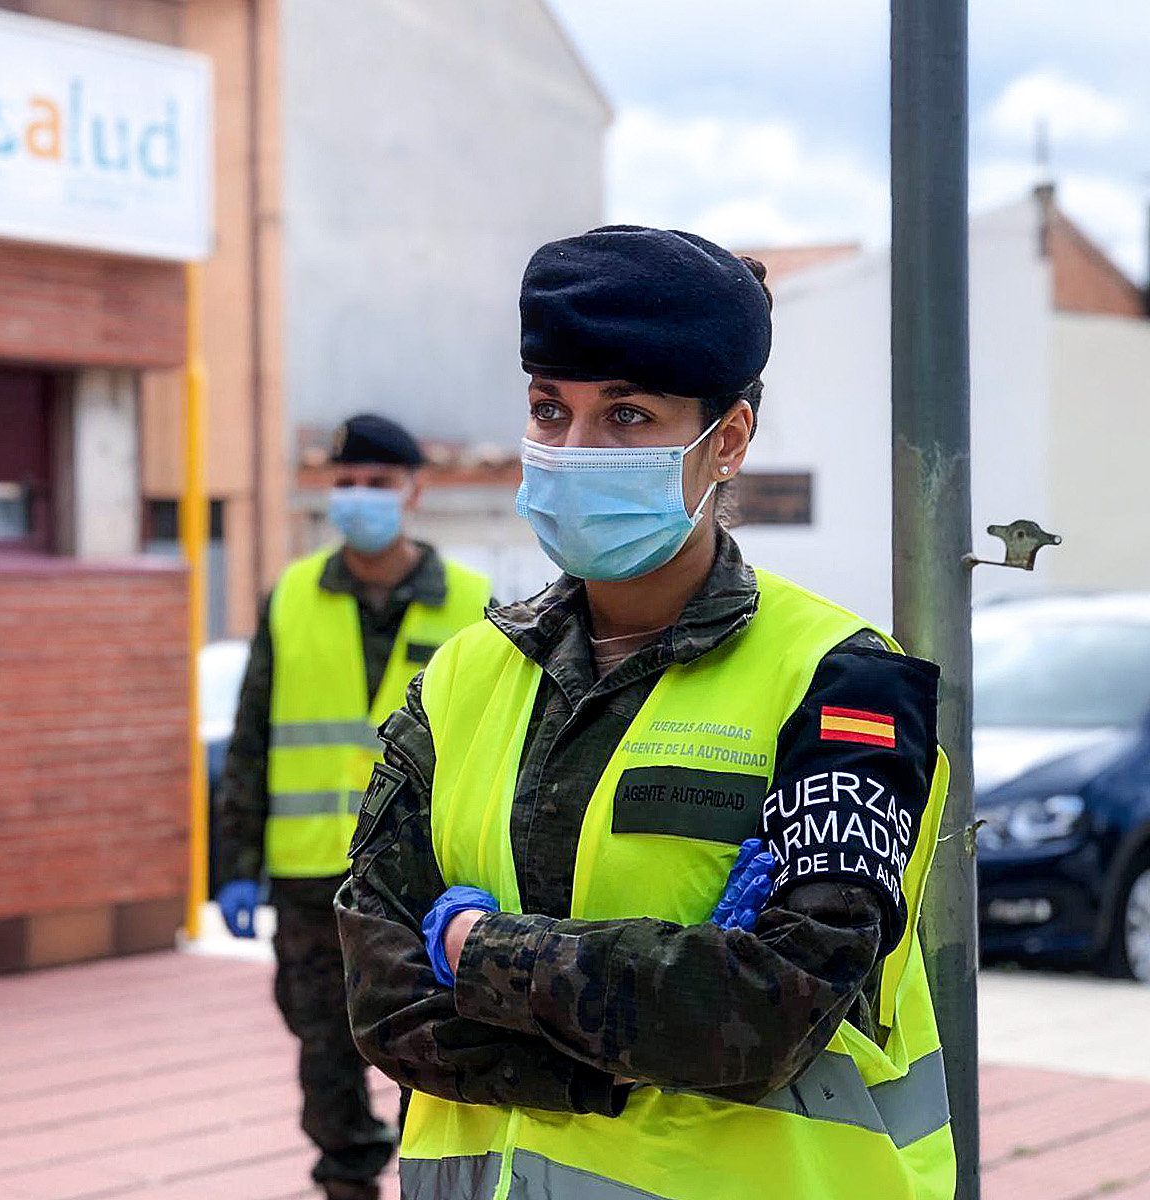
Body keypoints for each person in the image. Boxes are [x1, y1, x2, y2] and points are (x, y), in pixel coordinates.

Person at [335, 226, 954, 1200]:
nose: (574, 451)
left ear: (729, 441)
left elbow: (766, 1017)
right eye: (551, 410)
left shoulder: (842, 687)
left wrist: (475, 951)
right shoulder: (460, 677)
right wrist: (634, 1048)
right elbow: (380, 998)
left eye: (626, 417)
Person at [214, 413, 492, 1200]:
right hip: (309, 877)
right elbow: (251, 741)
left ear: (414, 492)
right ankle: (345, 1179)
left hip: (422, 879)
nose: (359, 497)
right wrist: (235, 867)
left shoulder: (475, 605)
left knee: (426, 1045)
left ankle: (425, 1179)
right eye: (345, 484)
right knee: (323, 1051)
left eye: (376, 483)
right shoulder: (291, 597)